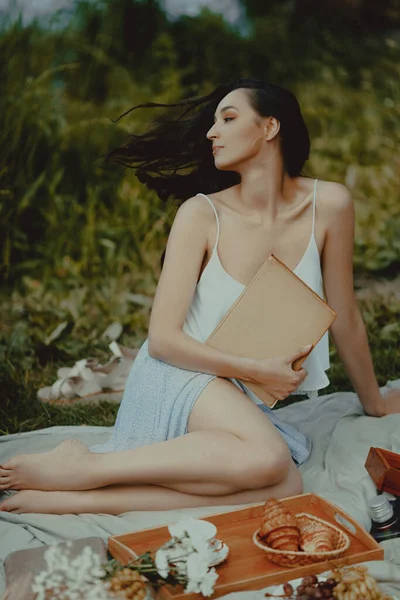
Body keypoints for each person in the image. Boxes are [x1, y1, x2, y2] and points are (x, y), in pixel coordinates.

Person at [1, 79, 399, 515]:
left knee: (287, 483)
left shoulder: (331, 204)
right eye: (213, 123)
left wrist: (375, 404)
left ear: (269, 127)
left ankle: (72, 496)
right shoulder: (201, 214)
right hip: (178, 374)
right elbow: (163, 341)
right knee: (269, 459)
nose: (212, 132)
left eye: (227, 119)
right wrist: (257, 370)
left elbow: (345, 316)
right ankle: (95, 466)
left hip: (232, 397)